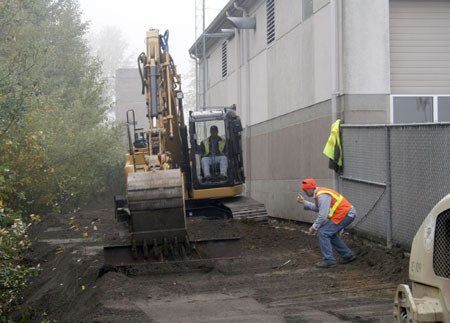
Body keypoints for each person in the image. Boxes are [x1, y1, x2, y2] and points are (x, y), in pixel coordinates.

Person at [296, 178, 357, 268]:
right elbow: (318, 208)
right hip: (344, 214)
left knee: (323, 232)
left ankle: (329, 260)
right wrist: (304, 202)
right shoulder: (319, 194)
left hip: (345, 214)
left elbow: (323, 215)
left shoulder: (321, 196)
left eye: (305, 190)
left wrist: (314, 227)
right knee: (329, 233)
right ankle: (347, 255)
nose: (305, 192)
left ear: (310, 188)